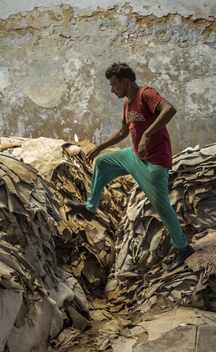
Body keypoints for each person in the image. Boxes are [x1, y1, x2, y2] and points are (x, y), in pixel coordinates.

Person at [66, 62, 194, 271]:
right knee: (102, 161)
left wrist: (147, 134)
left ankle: (183, 248)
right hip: (134, 156)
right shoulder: (127, 104)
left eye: (114, 85)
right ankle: (90, 207)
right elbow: (122, 133)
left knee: (162, 208)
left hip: (154, 164)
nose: (112, 89)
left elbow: (169, 109)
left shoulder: (146, 93)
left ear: (124, 81)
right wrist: (99, 147)